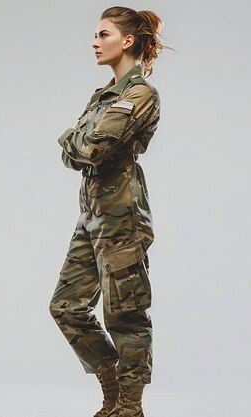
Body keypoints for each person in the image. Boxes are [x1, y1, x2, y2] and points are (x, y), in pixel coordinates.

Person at [48, 6, 171, 417]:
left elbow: (90, 149)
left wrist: (73, 138)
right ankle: (113, 387)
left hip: (123, 218)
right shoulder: (103, 97)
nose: (95, 42)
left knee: (126, 316)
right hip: (92, 218)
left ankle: (129, 408)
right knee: (65, 307)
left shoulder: (141, 94)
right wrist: (77, 144)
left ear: (128, 40)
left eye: (103, 34)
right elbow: (78, 153)